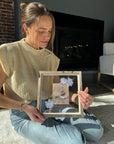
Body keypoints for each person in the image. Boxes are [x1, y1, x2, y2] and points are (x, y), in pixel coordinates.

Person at [0, 2, 103, 144]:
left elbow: (58, 92)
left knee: (96, 131)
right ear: (26, 28)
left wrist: (76, 98)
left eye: (49, 31)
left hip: (50, 105)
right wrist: (23, 107)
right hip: (24, 114)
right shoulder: (8, 52)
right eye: (41, 30)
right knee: (75, 140)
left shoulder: (51, 58)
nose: (47, 36)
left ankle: (61, 122)